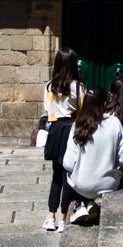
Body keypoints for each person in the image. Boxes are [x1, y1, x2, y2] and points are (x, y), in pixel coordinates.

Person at [63, 85, 123, 225]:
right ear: (105, 105)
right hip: (108, 184)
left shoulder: (78, 125)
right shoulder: (115, 123)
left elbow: (68, 164)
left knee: (71, 176)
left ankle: (81, 204)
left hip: (82, 186)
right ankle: (89, 204)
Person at [41, 46, 83, 233]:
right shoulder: (77, 87)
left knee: (56, 176)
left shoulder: (49, 86)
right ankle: (64, 218)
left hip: (55, 130)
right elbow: (81, 109)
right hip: (70, 129)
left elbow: (47, 110)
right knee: (68, 175)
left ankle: (51, 217)